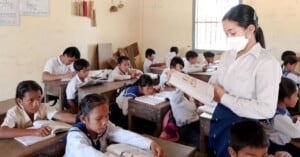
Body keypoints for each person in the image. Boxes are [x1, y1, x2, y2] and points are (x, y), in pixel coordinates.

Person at [208, 4, 282, 157]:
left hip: (243, 134)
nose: (228, 38)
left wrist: (223, 97)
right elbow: (213, 83)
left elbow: (267, 109)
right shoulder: (227, 56)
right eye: (225, 33)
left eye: (232, 32)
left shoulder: (266, 63)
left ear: (250, 29)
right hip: (220, 121)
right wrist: (184, 82)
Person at [64, 93, 163, 157]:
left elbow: (122, 134)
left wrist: (149, 144)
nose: (105, 122)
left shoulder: (104, 127)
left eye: (107, 116)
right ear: (83, 119)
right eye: (98, 119)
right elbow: (90, 154)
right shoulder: (75, 137)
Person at [0, 80, 76, 138]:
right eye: (31, 100)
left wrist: (80, 119)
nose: (37, 104)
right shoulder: (14, 112)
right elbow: (2, 132)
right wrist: (34, 131)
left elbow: (59, 115)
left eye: (39, 98)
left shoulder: (44, 107)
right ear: (19, 101)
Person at [160, 57, 200, 149]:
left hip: (195, 121)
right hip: (185, 127)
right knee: (200, 141)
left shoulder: (188, 93)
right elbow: (172, 89)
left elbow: (193, 106)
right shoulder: (173, 94)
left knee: (207, 136)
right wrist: (181, 81)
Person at [263, 77, 300, 156]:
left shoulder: (276, 109)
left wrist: (292, 119)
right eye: (296, 95)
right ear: (286, 98)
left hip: (276, 143)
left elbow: (284, 121)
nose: (298, 98)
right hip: (277, 147)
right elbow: (296, 132)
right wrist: (299, 119)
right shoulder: (278, 117)